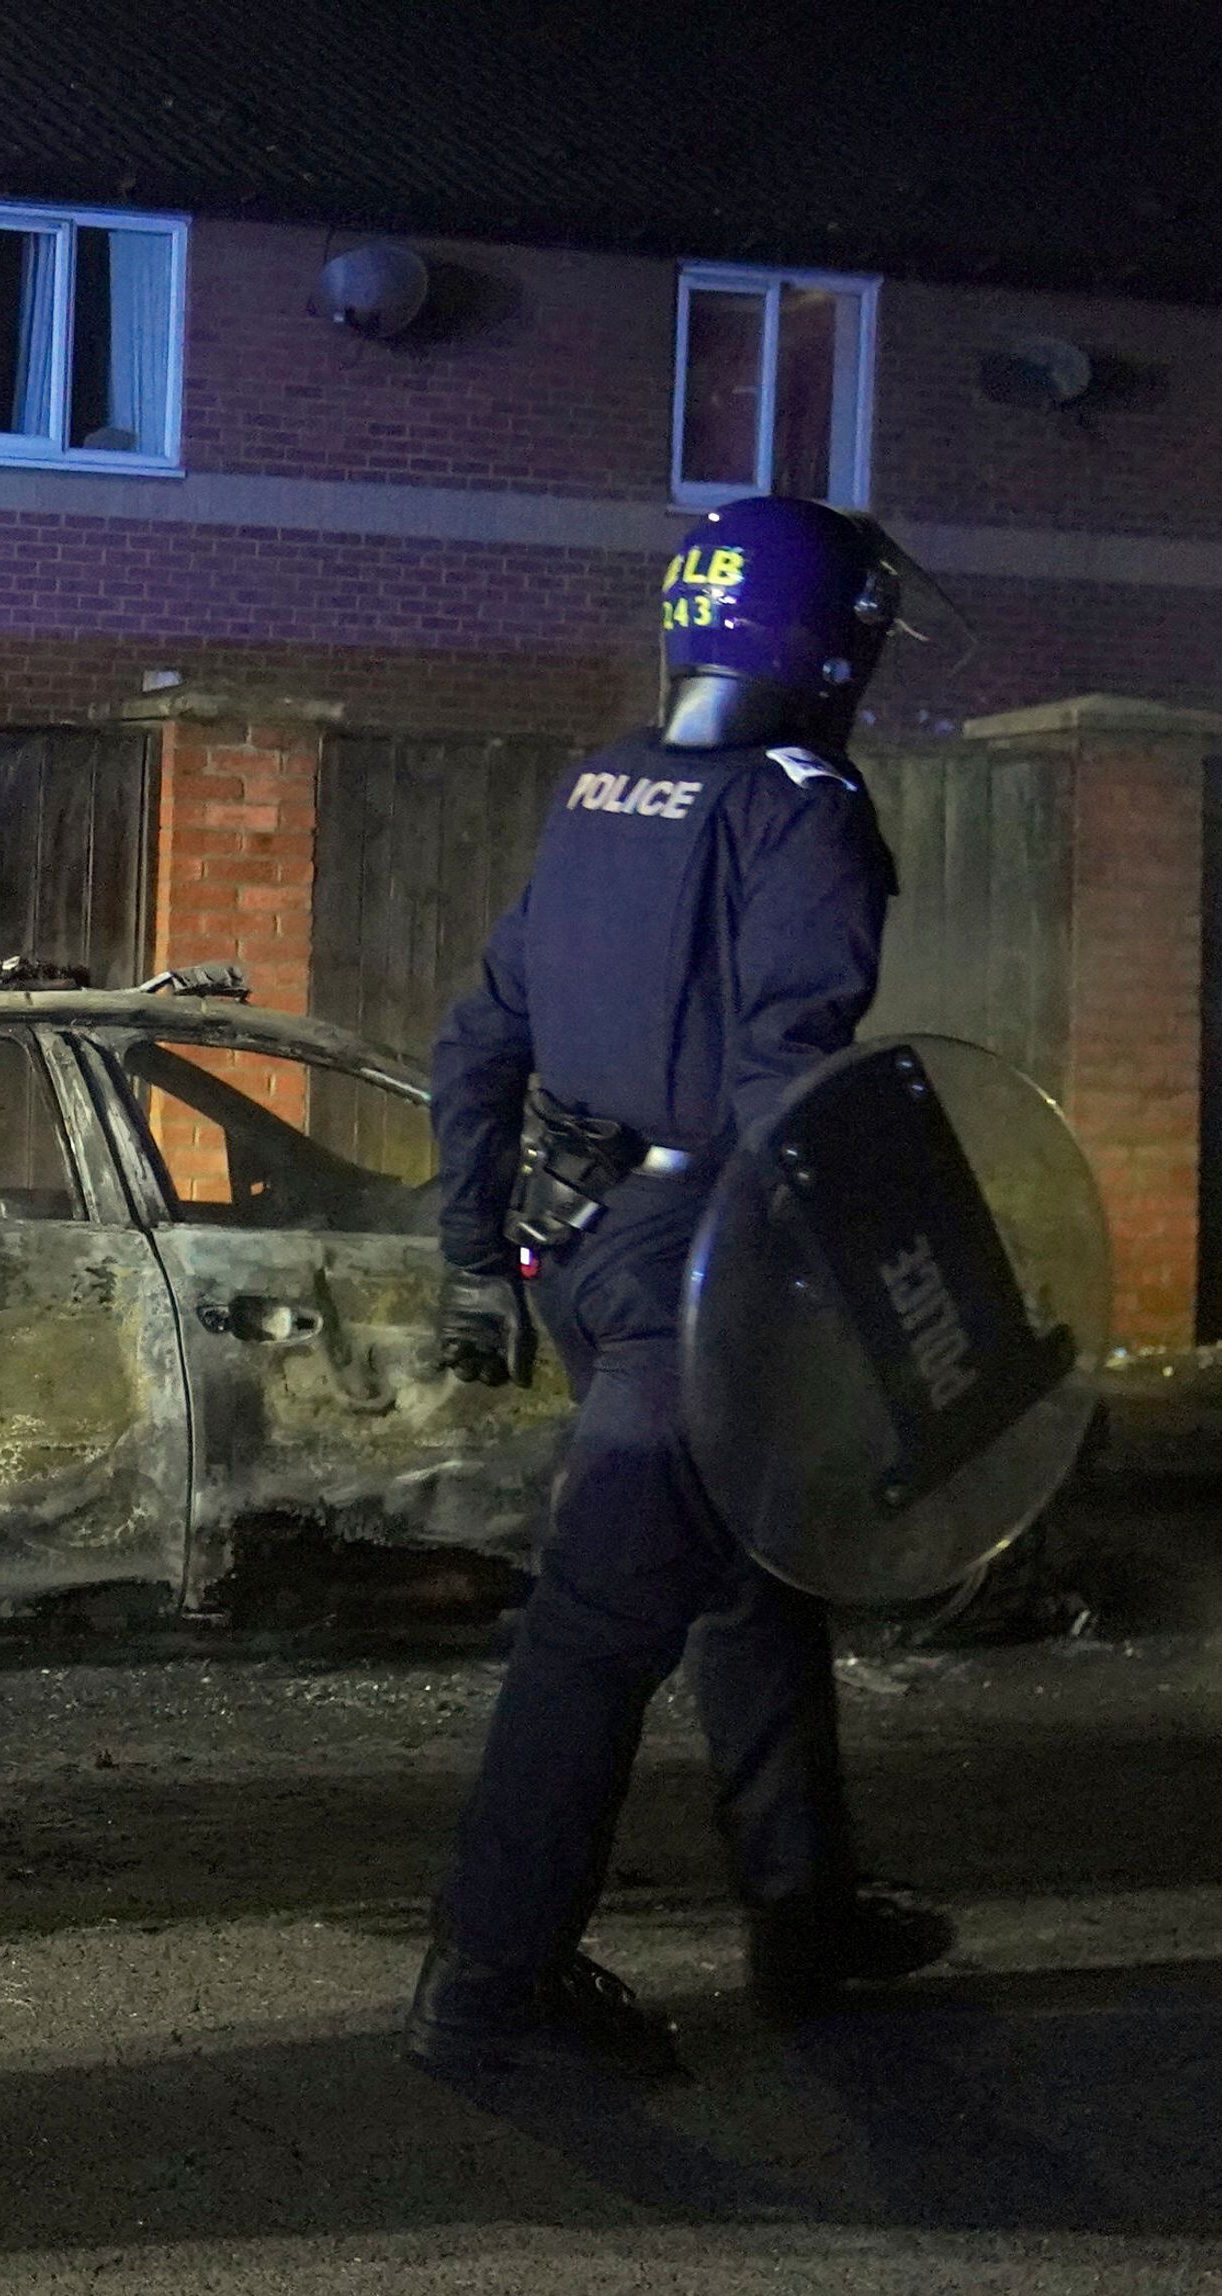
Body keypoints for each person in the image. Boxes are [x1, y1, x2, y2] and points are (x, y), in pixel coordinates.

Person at [410, 494, 958, 2084]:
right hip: (699, 1267)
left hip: (575, 1246)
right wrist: (893, 1304)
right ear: (827, 639)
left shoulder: (600, 790)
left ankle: (805, 1910)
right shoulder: (805, 807)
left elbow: (480, 1035)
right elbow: (796, 1087)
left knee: (753, 1574)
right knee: (598, 1626)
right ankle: (492, 1979)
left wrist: (469, 1250)